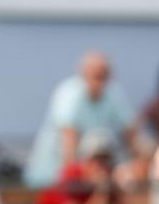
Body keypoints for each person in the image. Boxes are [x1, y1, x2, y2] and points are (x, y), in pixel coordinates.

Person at [24, 51, 137, 188]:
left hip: (88, 177)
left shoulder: (113, 93)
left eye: (103, 76)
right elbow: (68, 138)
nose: (99, 82)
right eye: (95, 76)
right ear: (82, 73)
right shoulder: (69, 94)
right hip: (50, 177)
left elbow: (129, 131)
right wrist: (72, 176)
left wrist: (134, 166)